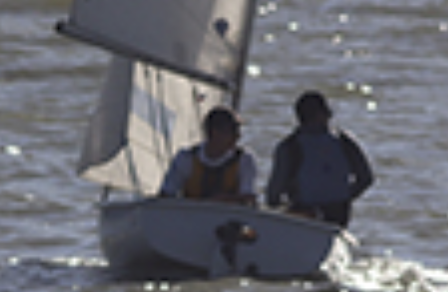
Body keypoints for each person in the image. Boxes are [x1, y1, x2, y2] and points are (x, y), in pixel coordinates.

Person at [264, 91, 375, 226]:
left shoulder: (289, 147)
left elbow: (273, 195)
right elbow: (366, 178)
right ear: (326, 113)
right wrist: (344, 197)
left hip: (304, 216)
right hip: (334, 215)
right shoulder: (344, 141)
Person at [160, 106, 260, 204]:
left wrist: (223, 200)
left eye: (238, 132)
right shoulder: (186, 158)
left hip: (231, 219)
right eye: (232, 131)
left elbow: (248, 198)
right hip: (190, 216)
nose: (238, 137)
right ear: (214, 133)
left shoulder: (245, 160)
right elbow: (166, 195)